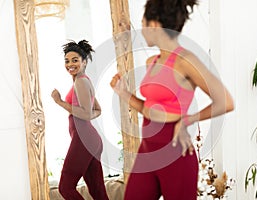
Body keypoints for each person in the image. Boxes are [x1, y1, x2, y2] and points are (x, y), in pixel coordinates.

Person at [110, 0, 234, 200]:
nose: (141, 30)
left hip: (176, 152)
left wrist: (188, 119)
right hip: (148, 150)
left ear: (154, 25)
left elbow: (225, 101)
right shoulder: (153, 62)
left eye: (143, 24)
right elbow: (148, 108)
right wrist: (123, 93)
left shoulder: (185, 60)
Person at [51, 40, 109, 200]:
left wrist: (60, 102)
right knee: (98, 192)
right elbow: (96, 111)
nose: (70, 64)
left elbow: (84, 114)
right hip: (90, 139)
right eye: (67, 60)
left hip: (83, 139)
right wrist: (85, 114)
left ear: (84, 62)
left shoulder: (81, 81)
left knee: (65, 187)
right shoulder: (84, 80)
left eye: (75, 60)